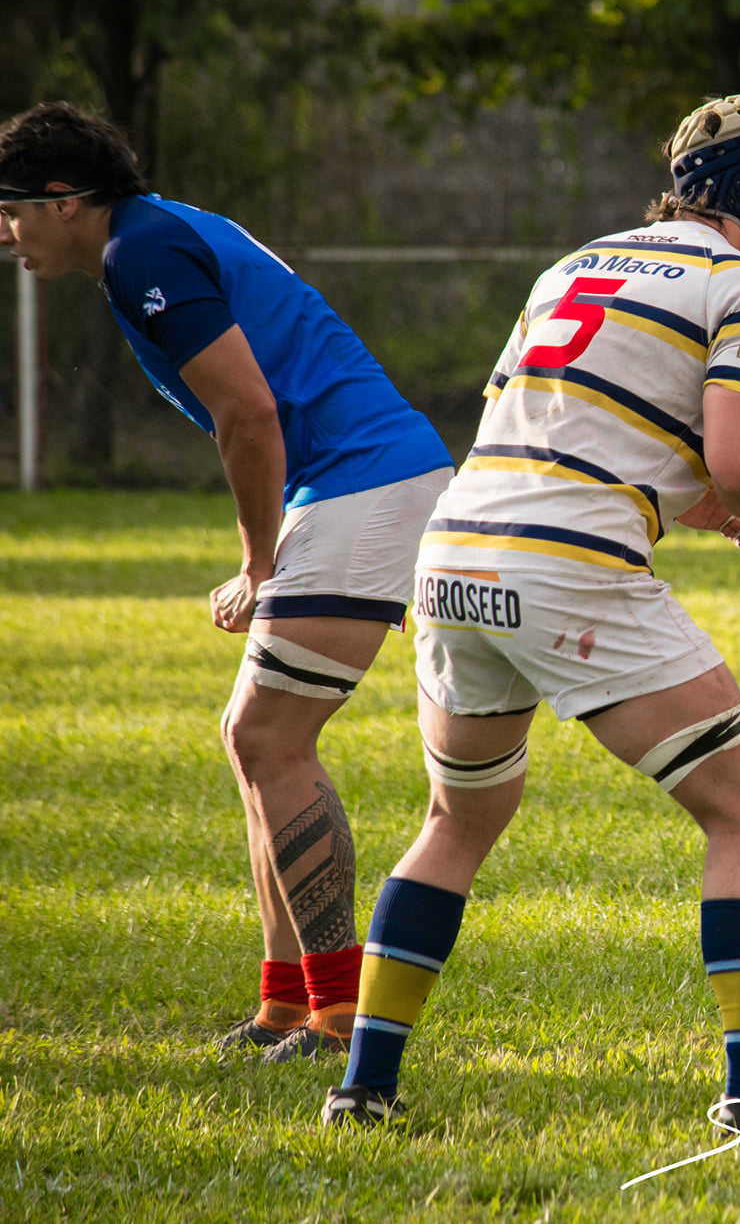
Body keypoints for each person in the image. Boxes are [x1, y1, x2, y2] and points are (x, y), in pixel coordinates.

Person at [320, 90, 740, 1139]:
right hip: (568, 570)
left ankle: (364, 1089)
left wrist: (700, 506)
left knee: (455, 821)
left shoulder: (577, 263)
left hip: (458, 555)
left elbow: (574, 436)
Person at [0, 103, 455, 1063]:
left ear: (65, 200)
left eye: (12, 209)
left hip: (365, 476)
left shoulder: (142, 254)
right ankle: (286, 1006)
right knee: (252, 738)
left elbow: (247, 412)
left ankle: (339, 1017)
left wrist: (259, 562)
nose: (7, 232)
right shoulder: (153, 233)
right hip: (353, 476)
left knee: (270, 735)